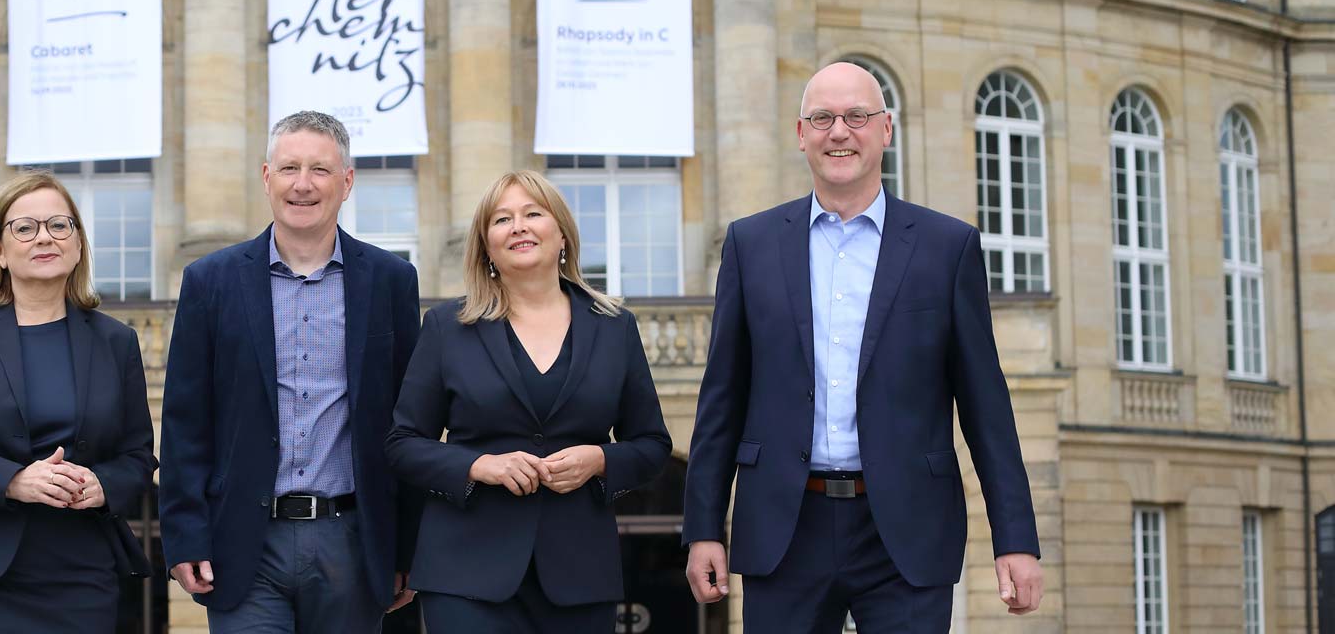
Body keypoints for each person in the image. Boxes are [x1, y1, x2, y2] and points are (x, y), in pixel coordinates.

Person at [681, 62, 1044, 631]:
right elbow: (722, 397)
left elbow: (986, 407)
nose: (839, 132)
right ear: (800, 134)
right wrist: (703, 528)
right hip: (785, 526)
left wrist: (1015, 538)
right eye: (822, 118)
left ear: (886, 129)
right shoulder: (751, 244)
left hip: (905, 526)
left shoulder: (947, 247)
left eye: (856, 116)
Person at [159, 111, 422, 632]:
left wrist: (408, 547)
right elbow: (186, 421)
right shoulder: (209, 281)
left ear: (347, 181)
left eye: (320, 170)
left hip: (352, 541)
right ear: (267, 178)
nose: (303, 184)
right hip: (243, 543)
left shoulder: (392, 280)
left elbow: (408, 424)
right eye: (289, 168)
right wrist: (185, 535)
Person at [385, 170, 672, 633]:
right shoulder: (446, 327)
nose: (518, 226)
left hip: (580, 575)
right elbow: (402, 443)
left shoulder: (615, 327)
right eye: (502, 219)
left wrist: (599, 460)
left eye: (533, 213)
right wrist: (478, 466)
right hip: (466, 574)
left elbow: (653, 444)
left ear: (562, 234)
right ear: (487, 246)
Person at [0, 171, 156, 633]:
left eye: (59, 225)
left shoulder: (117, 341)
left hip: (78, 574)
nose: (44, 237)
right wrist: (13, 480)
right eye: (25, 227)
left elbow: (137, 455)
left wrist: (103, 484)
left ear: (77, 245)